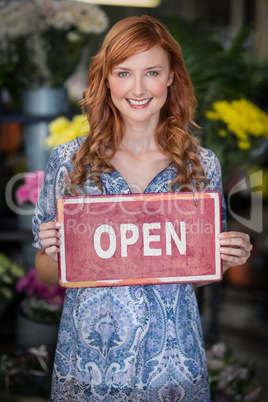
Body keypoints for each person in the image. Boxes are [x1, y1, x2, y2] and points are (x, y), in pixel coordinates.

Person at [33, 15, 252, 401]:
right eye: (123, 72)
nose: (137, 88)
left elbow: (195, 273)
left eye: (151, 72)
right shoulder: (68, 162)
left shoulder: (201, 166)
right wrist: (55, 250)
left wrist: (226, 257)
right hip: (90, 367)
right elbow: (46, 273)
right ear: (106, 79)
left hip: (171, 368)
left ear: (171, 77)